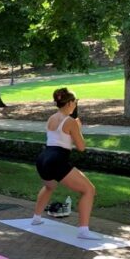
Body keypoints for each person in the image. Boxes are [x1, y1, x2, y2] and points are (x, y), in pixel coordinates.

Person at [31, 87, 100, 239]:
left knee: (50, 186)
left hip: (43, 158)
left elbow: (58, 138)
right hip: (56, 159)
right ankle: (83, 230)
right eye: (75, 102)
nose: (76, 104)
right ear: (69, 103)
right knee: (89, 190)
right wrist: (78, 128)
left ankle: (36, 218)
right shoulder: (70, 122)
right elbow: (81, 147)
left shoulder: (51, 118)